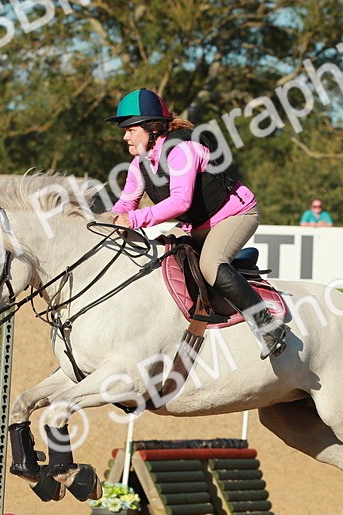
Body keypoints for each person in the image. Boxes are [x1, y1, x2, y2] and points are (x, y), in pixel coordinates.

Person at [107, 88, 288, 359]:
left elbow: (180, 202)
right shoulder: (139, 163)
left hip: (235, 215)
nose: (125, 136)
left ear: (151, 128)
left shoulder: (182, 150)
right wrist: (109, 222)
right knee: (160, 257)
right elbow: (126, 203)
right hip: (197, 224)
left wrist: (134, 220)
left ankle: (267, 325)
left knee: (210, 264)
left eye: (130, 129)